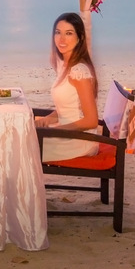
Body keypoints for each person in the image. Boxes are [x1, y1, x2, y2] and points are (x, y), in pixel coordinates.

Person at [35, 12, 103, 161]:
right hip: (66, 133)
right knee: (20, 140)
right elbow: (69, 106)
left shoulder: (79, 71)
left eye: (69, 33)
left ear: (80, 38)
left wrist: (57, 131)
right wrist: (48, 119)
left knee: (22, 149)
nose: (62, 39)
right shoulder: (65, 65)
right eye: (58, 33)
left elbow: (91, 120)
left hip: (79, 140)